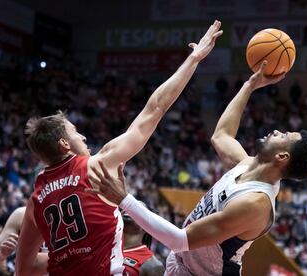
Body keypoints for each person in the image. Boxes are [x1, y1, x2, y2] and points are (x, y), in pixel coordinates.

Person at [15, 20, 223, 276]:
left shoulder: (36, 201)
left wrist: (67, 256)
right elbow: (155, 108)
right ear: (64, 144)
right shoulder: (97, 167)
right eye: (76, 132)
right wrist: (194, 59)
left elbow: (23, 269)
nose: (83, 137)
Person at [88, 61, 307, 276]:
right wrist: (249, 86)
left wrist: (124, 199)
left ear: (282, 156)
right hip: (182, 263)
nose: (277, 131)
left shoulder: (255, 204)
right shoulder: (248, 164)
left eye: (285, 135)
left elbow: (180, 239)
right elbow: (221, 135)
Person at [122, 205, 164, 276]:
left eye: (138, 209)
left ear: (148, 226)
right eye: (128, 206)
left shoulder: (152, 265)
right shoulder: (104, 246)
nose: (130, 209)